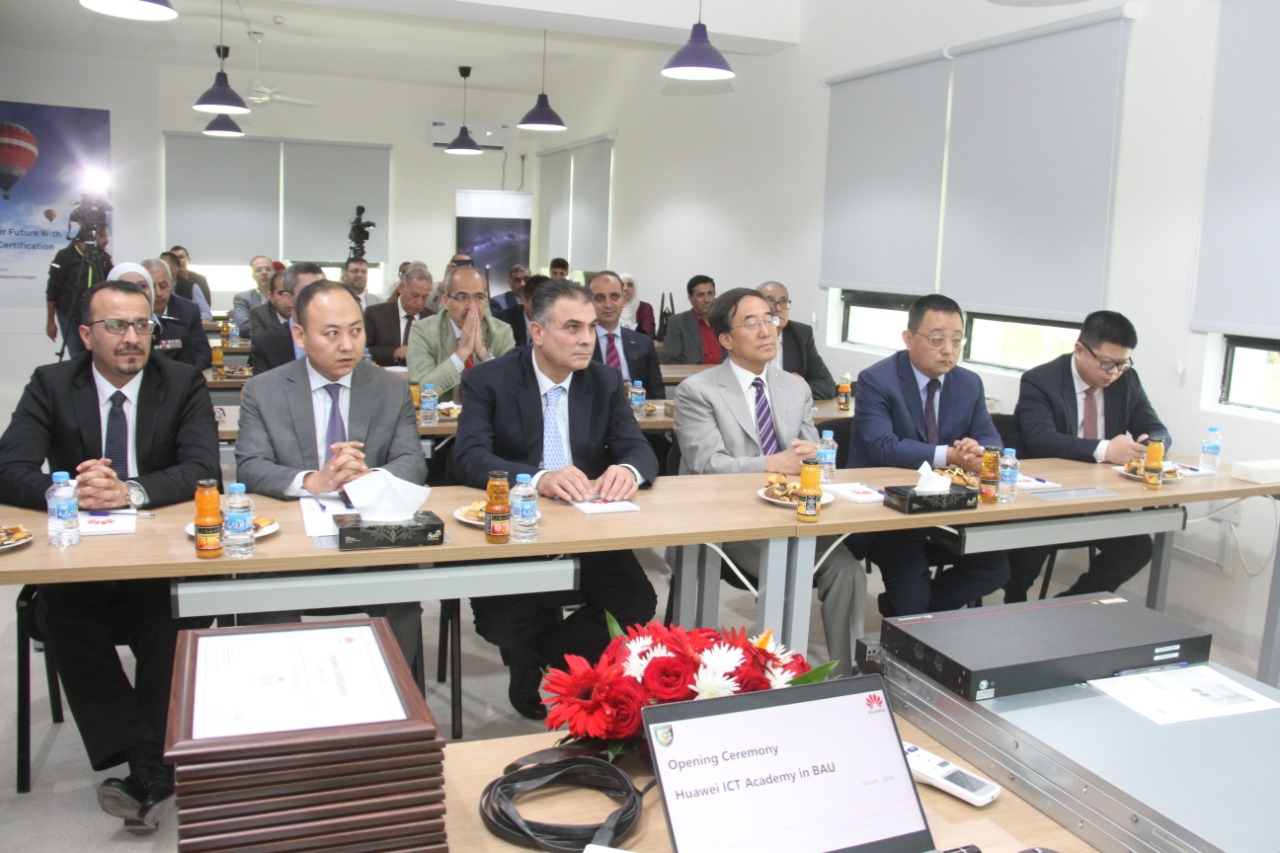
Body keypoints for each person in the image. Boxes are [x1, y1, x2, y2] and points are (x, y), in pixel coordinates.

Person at [0, 280, 219, 833]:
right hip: (79, 559)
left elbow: (203, 469)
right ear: (85, 335)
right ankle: (153, 765)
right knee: (61, 614)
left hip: (158, 555)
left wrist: (130, 491)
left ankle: (146, 770)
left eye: (143, 325)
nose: (132, 338)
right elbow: (8, 468)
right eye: (116, 326)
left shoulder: (182, 382)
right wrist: (71, 492)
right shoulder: (52, 383)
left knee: (174, 614)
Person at [453, 280, 659, 719]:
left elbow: (639, 449)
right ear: (538, 332)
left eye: (590, 327)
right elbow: (468, 456)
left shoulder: (603, 380)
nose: (587, 338)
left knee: (636, 603)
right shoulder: (489, 379)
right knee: (500, 622)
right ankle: (538, 657)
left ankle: (538, 660)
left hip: (587, 525)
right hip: (516, 526)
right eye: (572, 327)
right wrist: (540, 478)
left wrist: (628, 469)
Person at [234, 280, 427, 674]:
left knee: (401, 594)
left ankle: (392, 699)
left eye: (356, 331)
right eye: (332, 333)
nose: (347, 345)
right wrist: (313, 481)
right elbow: (250, 465)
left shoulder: (391, 390)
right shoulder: (263, 390)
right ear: (300, 335)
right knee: (264, 599)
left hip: (372, 541)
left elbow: (412, 461)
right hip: (290, 545)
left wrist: (369, 478)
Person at [673, 288, 863, 675]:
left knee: (848, 571)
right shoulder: (698, 391)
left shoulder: (796, 386)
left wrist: (815, 456)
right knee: (785, 567)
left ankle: (847, 675)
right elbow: (708, 465)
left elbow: (810, 451)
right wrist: (773, 464)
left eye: (769, 319)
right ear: (726, 339)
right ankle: (774, 675)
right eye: (751, 323)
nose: (766, 331)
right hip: (731, 520)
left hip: (793, 513)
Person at [845, 294, 1009, 616]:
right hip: (890, 512)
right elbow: (882, 446)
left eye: (957, 340)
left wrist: (981, 453)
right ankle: (912, 612)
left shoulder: (969, 383)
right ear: (908, 338)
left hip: (948, 508)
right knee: (913, 595)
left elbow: (991, 438)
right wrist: (950, 455)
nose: (948, 350)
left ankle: (905, 612)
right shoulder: (877, 380)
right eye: (937, 340)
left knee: (995, 569)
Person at [1003, 311, 1170, 602]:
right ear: (1080, 349)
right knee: (1030, 550)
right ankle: (1014, 606)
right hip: (1045, 497)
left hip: (1100, 495)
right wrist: (1105, 449)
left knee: (1137, 549)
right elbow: (1041, 439)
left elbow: (1156, 428)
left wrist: (1150, 445)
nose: (1114, 372)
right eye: (1107, 363)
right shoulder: (1041, 380)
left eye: (1122, 363)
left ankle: (1070, 605)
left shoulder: (1126, 381)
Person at [406, 265, 515, 403]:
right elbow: (420, 392)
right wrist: (461, 353)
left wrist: (483, 354)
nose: (472, 306)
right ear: (446, 301)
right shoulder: (423, 331)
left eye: (479, 297)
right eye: (462, 297)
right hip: (440, 416)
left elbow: (511, 391)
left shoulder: (502, 332)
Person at [588, 271, 664, 400]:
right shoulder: (578, 343)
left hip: (637, 409)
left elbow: (657, 395)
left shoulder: (643, 343)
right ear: (589, 302)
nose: (608, 305)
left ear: (623, 300)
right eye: (600, 298)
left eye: (615, 297)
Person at [758, 281, 837, 400]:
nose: (779, 308)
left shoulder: (801, 335)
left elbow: (827, 387)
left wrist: (793, 387)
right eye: (771, 301)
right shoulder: (746, 337)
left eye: (783, 302)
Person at [46, 226, 112, 359]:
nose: (107, 240)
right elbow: (52, 290)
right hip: (69, 315)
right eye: (103, 236)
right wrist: (50, 321)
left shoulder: (103, 258)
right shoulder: (65, 256)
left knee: (97, 354)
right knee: (77, 356)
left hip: (95, 316)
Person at [249, 262, 326, 373]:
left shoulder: (343, 338)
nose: (317, 299)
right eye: (308, 292)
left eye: (323, 292)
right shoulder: (266, 344)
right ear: (289, 298)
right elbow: (263, 384)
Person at [365, 263, 433, 366]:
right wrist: (394, 352)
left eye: (424, 297)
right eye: (415, 295)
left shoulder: (432, 319)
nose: (419, 302)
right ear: (401, 288)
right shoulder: (375, 314)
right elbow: (363, 351)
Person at [660, 275, 721, 365]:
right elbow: (671, 361)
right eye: (701, 295)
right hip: (694, 373)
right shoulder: (678, 322)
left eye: (710, 293)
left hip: (725, 372)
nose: (707, 300)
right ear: (690, 298)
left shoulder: (725, 320)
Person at [494, 274, 549, 348]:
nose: (544, 308)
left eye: (549, 304)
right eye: (538, 303)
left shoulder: (557, 321)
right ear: (523, 300)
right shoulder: (503, 321)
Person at [231, 255, 275, 336]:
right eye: (259, 270)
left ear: (274, 273)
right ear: (253, 276)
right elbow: (243, 327)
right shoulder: (243, 298)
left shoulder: (285, 296)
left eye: (268, 269)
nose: (264, 272)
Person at [248, 269, 293, 338]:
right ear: (271, 296)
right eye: (281, 293)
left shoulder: (309, 313)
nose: (288, 300)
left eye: (293, 293)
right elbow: (261, 343)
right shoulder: (260, 314)